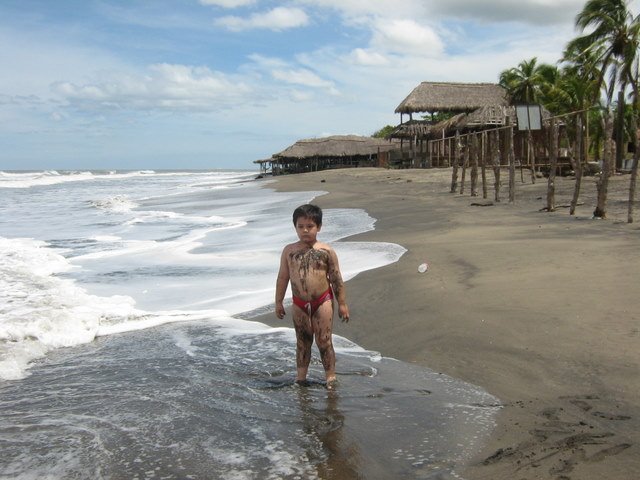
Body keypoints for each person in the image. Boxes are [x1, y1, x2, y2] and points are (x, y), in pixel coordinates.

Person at [275, 204, 350, 387]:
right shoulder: (289, 251)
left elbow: (335, 277)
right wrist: (278, 302)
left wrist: (342, 303)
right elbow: (283, 277)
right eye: (300, 227)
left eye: (310, 226)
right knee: (303, 341)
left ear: (319, 227)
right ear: (295, 227)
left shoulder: (326, 251)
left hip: (322, 300)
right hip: (299, 302)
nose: (305, 231)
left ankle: (330, 376)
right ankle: (301, 377)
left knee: (324, 340)